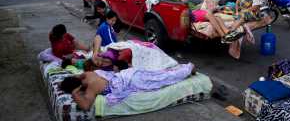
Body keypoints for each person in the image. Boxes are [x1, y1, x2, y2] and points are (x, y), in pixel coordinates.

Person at [60, 63, 196, 109]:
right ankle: (184, 68)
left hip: (133, 81)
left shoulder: (91, 88)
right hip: (129, 74)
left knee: (162, 79)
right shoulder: (87, 74)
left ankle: (188, 69)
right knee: (159, 74)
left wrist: (74, 93)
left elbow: (85, 106)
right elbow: (77, 76)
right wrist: (72, 81)